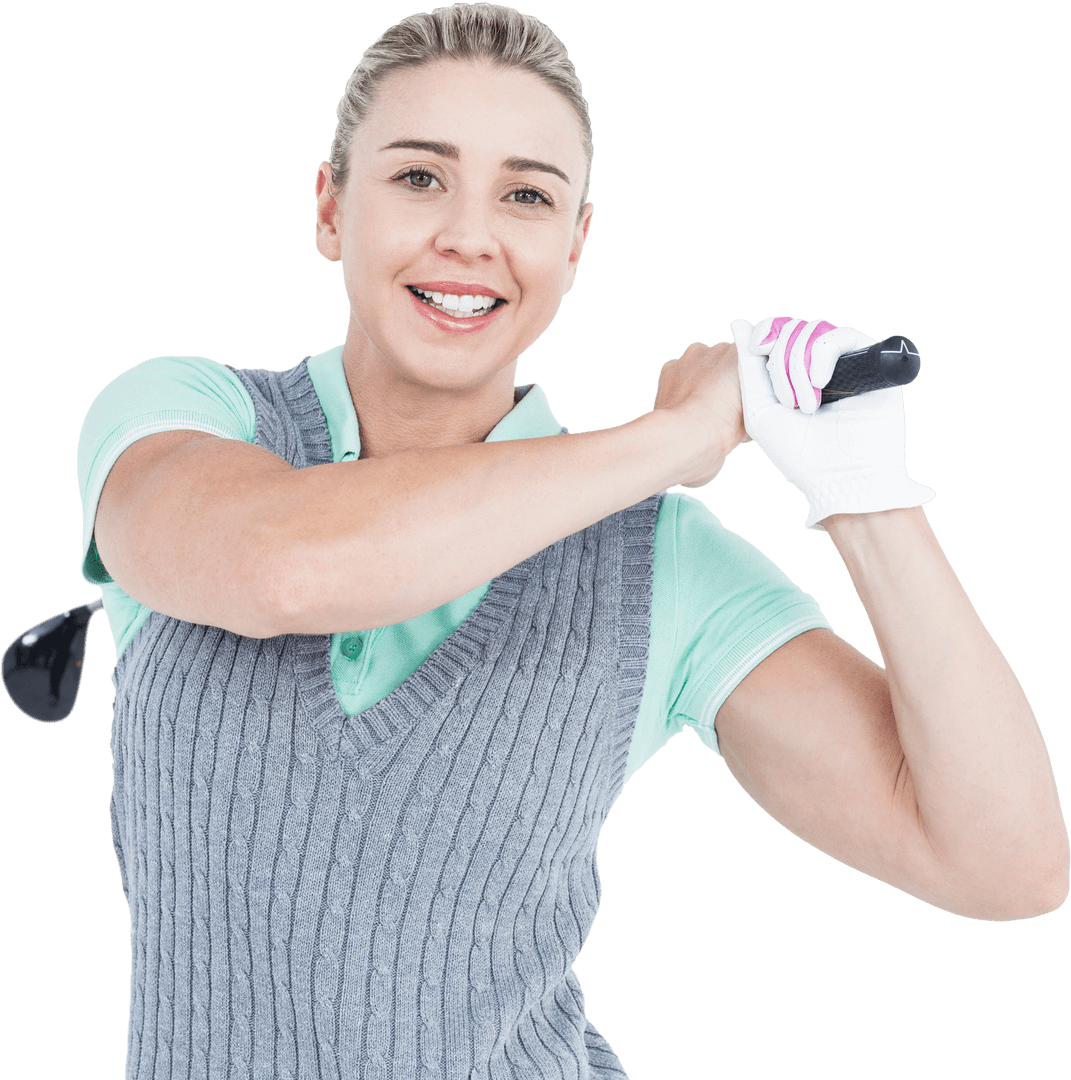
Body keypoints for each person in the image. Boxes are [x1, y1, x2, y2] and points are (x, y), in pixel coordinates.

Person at [77, 4, 1068, 1077]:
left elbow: (1004, 866)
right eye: (419, 177)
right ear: (330, 206)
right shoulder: (183, 416)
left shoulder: (662, 561)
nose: (469, 235)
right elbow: (280, 568)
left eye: (527, 195)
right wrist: (674, 436)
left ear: (575, 245)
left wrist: (867, 492)